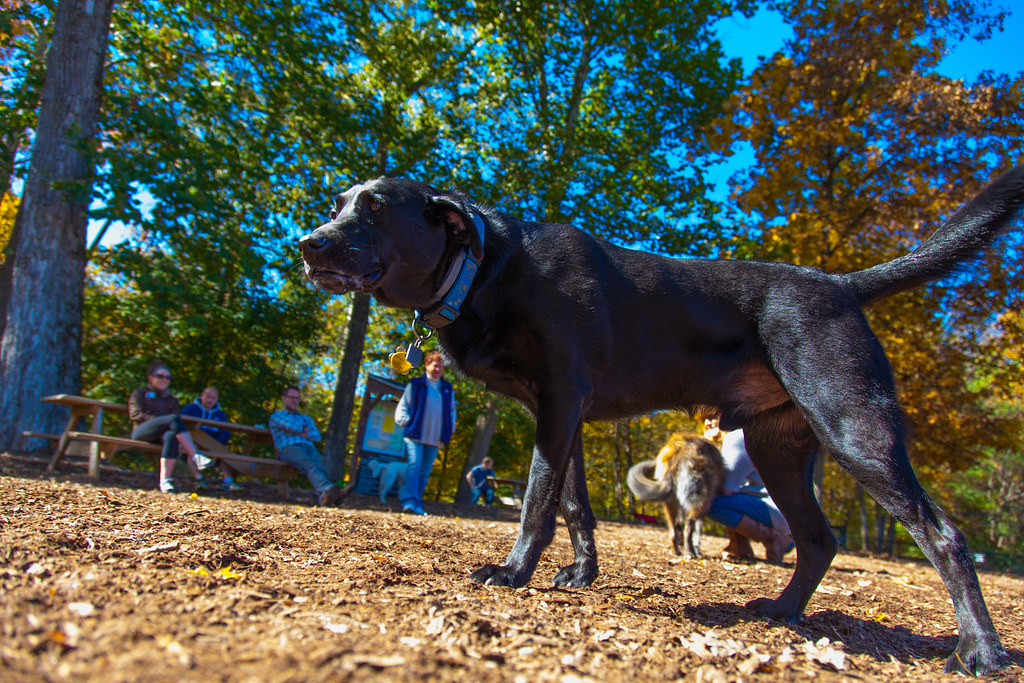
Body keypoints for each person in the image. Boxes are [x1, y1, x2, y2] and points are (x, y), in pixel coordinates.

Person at [705, 419, 794, 564]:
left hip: (775, 508)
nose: (708, 422)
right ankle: (745, 545)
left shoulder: (738, 437)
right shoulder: (758, 431)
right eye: (704, 418)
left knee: (711, 502)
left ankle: (773, 538)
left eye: (713, 415)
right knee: (727, 499)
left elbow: (726, 488)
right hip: (790, 512)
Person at [128, 361, 210, 494]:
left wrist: (165, 424)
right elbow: (136, 414)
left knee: (171, 436)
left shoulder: (171, 400)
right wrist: (161, 421)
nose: (164, 380)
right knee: (172, 419)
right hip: (142, 432)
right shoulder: (139, 394)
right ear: (151, 377)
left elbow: (175, 425)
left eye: (168, 377)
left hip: (162, 436)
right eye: (160, 376)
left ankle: (165, 480)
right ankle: (196, 455)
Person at [394, 350, 456, 515]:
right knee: (413, 467)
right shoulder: (415, 385)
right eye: (435, 366)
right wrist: (409, 422)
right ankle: (409, 502)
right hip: (415, 435)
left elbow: (451, 413)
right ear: (427, 365)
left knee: (424, 472)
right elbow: (403, 408)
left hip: (435, 438)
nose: (438, 370)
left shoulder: (447, 389)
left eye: (441, 367)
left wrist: (449, 430)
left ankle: (417, 503)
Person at [268, 386, 340, 506]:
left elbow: (316, 436)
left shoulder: (305, 418)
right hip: (288, 448)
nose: (294, 400)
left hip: (308, 447)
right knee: (308, 464)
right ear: (283, 398)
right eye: (291, 397)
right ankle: (326, 490)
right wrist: (303, 431)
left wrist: (301, 432)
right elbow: (291, 427)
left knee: (319, 465)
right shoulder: (277, 416)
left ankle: (326, 497)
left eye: (297, 398)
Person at [180, 386, 244, 492]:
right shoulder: (190, 409)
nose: (210, 400)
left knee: (223, 453)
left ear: (217, 399)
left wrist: (215, 446)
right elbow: (181, 426)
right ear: (202, 396)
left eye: (213, 398)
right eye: (208, 397)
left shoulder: (220, 415)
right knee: (192, 452)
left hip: (213, 445)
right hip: (192, 443)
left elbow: (225, 433)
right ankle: (199, 479)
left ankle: (228, 481)